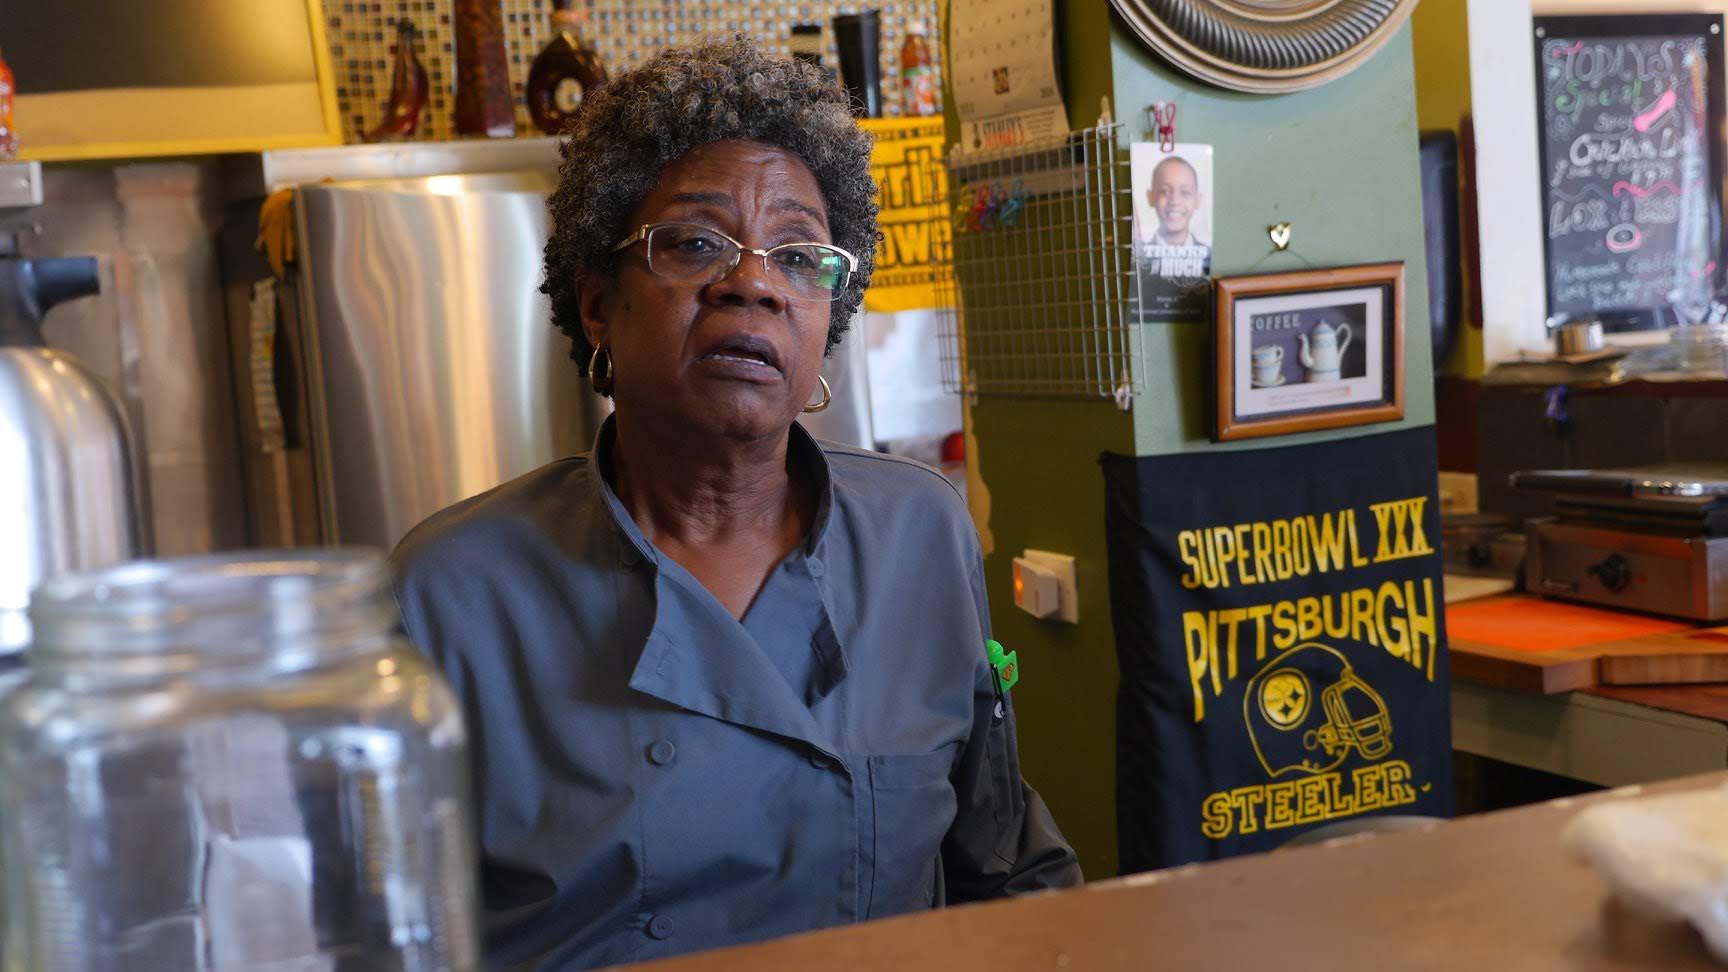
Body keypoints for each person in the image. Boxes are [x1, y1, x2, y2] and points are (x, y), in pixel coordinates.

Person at [390, 36, 1082, 972]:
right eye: (695, 242)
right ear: (598, 302)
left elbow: (1005, 861)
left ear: (827, 316)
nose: (753, 281)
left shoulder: (919, 531)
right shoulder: (454, 591)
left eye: (800, 256)